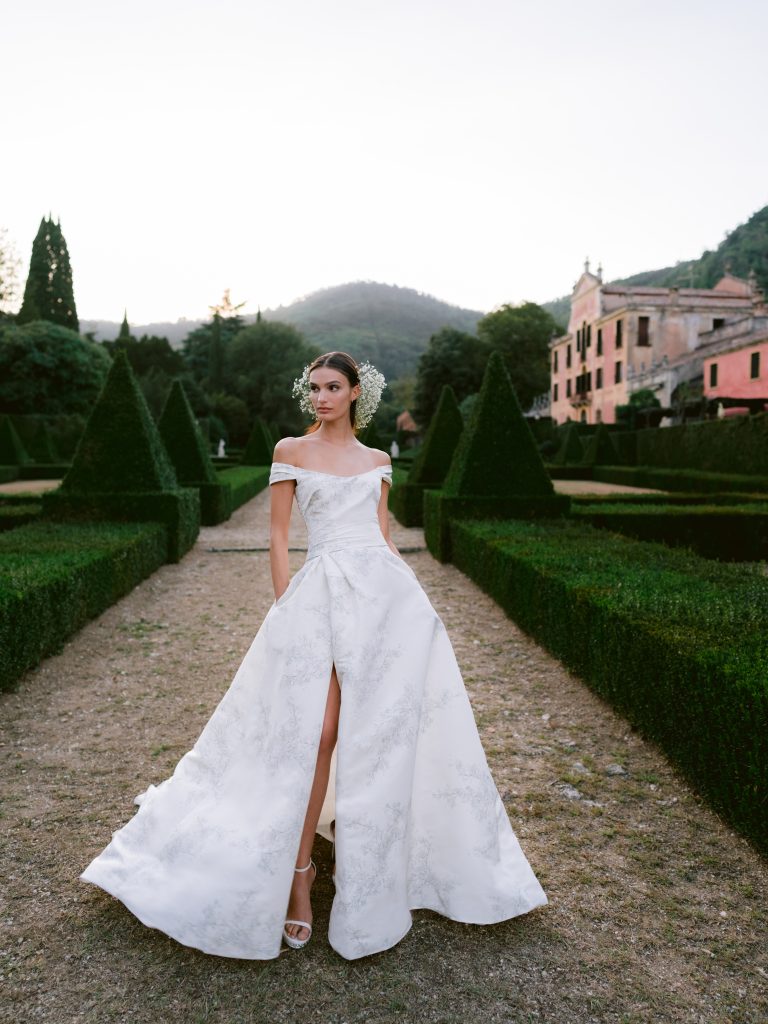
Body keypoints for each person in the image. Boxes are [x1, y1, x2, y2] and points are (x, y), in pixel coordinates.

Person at [79, 350, 548, 960]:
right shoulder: (289, 451)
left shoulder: (378, 461)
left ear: (356, 393)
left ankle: (369, 862)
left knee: (376, 733)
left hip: (382, 600)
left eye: (332, 387)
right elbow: (278, 535)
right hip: (319, 596)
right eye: (314, 387)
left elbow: (381, 537)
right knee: (319, 731)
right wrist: (286, 607)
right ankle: (299, 874)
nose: (320, 397)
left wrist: (414, 602)